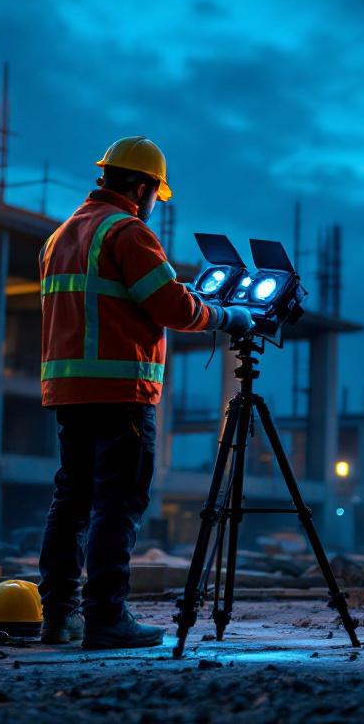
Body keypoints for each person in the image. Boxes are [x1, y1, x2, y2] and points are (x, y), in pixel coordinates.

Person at [36, 136, 253, 648]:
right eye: (156, 195)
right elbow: (173, 308)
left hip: (69, 390)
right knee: (118, 503)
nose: (155, 205)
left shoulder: (61, 235)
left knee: (71, 502)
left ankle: (58, 617)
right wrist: (225, 315)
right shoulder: (127, 231)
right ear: (142, 187)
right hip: (120, 392)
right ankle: (107, 619)